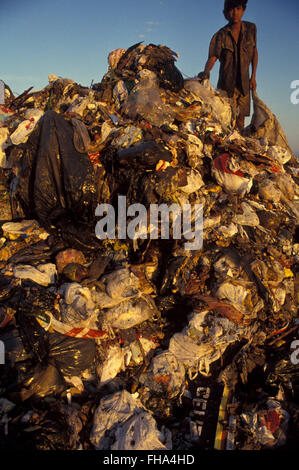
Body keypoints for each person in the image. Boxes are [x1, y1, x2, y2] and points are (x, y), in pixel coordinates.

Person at [198, 0, 258, 131]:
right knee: (225, 118)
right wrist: (206, 71)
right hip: (226, 84)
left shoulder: (251, 29)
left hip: (244, 84)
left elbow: (254, 52)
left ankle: (238, 143)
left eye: (238, 8)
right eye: (231, 9)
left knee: (241, 119)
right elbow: (213, 57)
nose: (235, 12)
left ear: (243, 10)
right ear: (225, 13)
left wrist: (253, 77)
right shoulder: (221, 35)